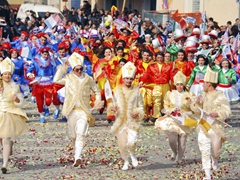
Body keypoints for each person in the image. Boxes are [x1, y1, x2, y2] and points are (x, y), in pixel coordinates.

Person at [53, 52, 103, 167]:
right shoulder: (68, 78)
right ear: (73, 69)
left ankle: (77, 158)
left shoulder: (88, 78)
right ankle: (77, 154)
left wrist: (97, 100)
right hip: (71, 110)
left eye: (80, 69)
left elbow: (96, 90)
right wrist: (63, 69)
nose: (79, 71)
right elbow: (56, 80)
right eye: (77, 69)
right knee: (74, 136)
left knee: (81, 134)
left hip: (84, 110)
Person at [190, 66, 231, 180]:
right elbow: (195, 110)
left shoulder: (220, 96)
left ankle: (215, 158)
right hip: (204, 125)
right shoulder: (202, 95)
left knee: (215, 151)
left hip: (216, 127)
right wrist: (197, 103)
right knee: (204, 149)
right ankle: (207, 175)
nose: (202, 84)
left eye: (204, 82)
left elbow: (226, 110)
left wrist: (217, 114)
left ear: (209, 84)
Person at [107, 61, 144, 170]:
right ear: (123, 79)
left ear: (133, 79)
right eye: (126, 78)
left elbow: (141, 106)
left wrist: (137, 112)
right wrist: (113, 108)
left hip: (132, 121)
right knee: (122, 144)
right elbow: (113, 104)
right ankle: (126, 162)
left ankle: (133, 155)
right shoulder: (117, 91)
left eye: (130, 79)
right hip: (120, 121)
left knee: (131, 142)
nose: (128, 81)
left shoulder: (136, 92)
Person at [155, 71, 197, 162]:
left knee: (182, 140)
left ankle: (180, 158)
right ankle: (174, 151)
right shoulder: (170, 94)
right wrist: (167, 110)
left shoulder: (190, 95)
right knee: (172, 139)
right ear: (175, 85)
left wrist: (191, 102)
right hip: (173, 118)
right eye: (177, 84)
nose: (179, 86)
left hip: (185, 118)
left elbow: (194, 108)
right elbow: (166, 104)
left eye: (181, 84)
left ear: (184, 85)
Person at [0, 57, 28, 174]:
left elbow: (20, 102)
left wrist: (16, 99)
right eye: (5, 74)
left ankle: (5, 164)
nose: (7, 76)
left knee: (5, 138)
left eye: (9, 74)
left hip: (8, 114)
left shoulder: (14, 86)